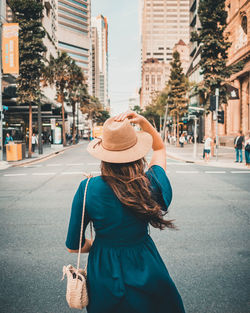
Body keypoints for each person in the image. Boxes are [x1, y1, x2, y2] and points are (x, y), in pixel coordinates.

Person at [65, 111, 185, 313]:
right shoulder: (150, 184)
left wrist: (99, 244)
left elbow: (73, 246)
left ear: (104, 154)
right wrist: (144, 122)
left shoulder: (87, 188)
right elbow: (160, 148)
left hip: (104, 270)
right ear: (137, 153)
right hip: (146, 264)